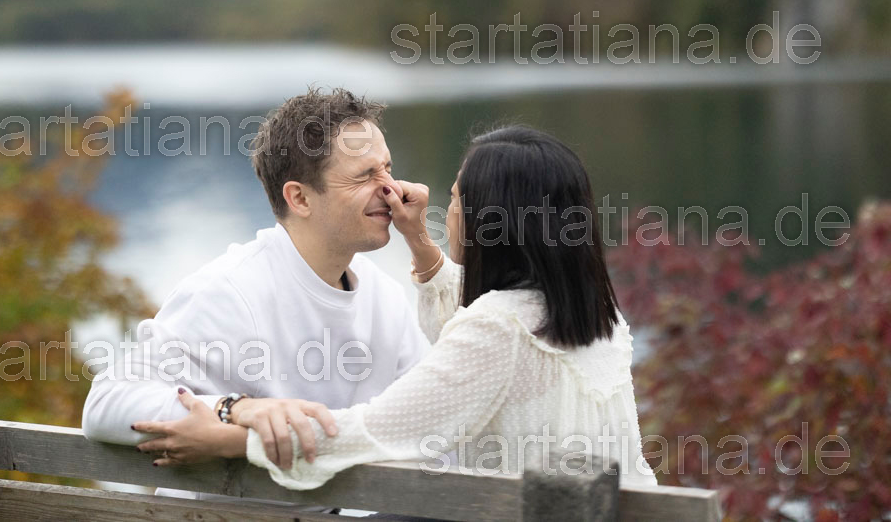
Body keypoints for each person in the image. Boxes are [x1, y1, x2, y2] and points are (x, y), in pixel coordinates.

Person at [131, 125, 659, 490]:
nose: (438, 206)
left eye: (456, 198)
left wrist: (230, 440)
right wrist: (420, 243)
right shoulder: (597, 318)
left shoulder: (498, 329)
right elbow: (482, 333)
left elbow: (378, 431)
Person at [81, 88, 431, 500]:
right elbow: (105, 404)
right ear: (299, 198)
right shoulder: (227, 292)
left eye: (388, 169)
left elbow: (428, 421)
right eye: (364, 176)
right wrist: (235, 409)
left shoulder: (385, 296)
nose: (392, 189)